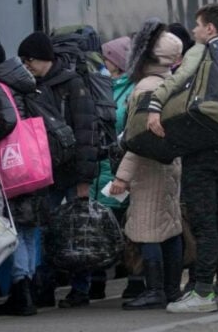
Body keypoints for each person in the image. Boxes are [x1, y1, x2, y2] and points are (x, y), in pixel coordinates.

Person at [147, 3, 218, 313]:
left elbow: (177, 80)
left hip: (201, 146)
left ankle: (202, 291)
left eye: (198, 26)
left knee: (204, 222)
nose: (195, 31)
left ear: (210, 29)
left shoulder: (203, 50)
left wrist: (155, 105)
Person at [18, 31, 98, 308]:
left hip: (72, 172)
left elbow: (87, 133)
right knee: (46, 231)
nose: (26, 65)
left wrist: (85, 178)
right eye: (23, 60)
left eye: (30, 60)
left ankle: (80, 289)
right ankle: (45, 286)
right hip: (44, 172)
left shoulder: (72, 84)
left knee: (78, 231)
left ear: (44, 59)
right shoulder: (30, 85)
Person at [110, 24, 184, 309]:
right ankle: (171, 288)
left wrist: (122, 177)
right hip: (170, 164)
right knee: (170, 225)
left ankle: (154, 289)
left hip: (147, 167)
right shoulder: (172, 81)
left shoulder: (145, 88)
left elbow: (137, 138)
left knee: (147, 227)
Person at [0, 29, 44, 317]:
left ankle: (21, 291)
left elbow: (4, 123)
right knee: (27, 228)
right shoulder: (22, 82)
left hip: (11, 168)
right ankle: (27, 287)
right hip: (30, 164)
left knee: (14, 228)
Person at [91, 35, 140, 299]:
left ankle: (134, 276)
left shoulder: (132, 90)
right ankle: (98, 278)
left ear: (118, 62)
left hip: (121, 167)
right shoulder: (103, 86)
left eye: (107, 59)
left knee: (127, 226)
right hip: (102, 168)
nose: (103, 63)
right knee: (101, 226)